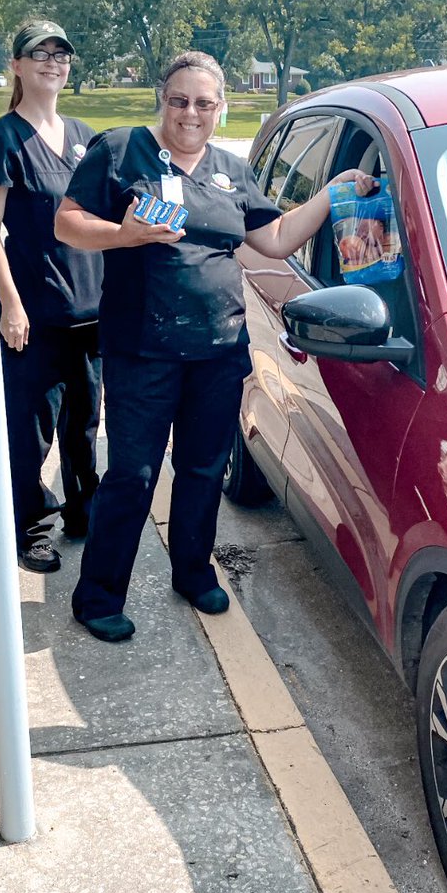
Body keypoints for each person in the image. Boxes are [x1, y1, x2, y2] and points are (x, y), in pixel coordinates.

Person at [55, 50, 375, 642]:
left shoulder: (230, 169)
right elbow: (67, 222)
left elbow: (274, 238)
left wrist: (330, 195)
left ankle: (193, 571)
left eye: (204, 103)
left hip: (220, 349)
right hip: (141, 351)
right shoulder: (122, 151)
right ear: (163, 98)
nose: (190, 113)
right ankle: (98, 596)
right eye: (179, 100)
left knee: (202, 469)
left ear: (220, 107)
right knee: (133, 474)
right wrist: (123, 235)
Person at [0, 20, 103, 573]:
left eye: (61, 54)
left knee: (84, 424)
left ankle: (85, 511)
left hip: (90, 312)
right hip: (33, 316)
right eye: (40, 54)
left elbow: (105, 215)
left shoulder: (84, 135)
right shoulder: (2, 138)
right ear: (16, 66)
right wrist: (10, 303)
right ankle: (31, 527)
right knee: (30, 429)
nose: (53, 63)